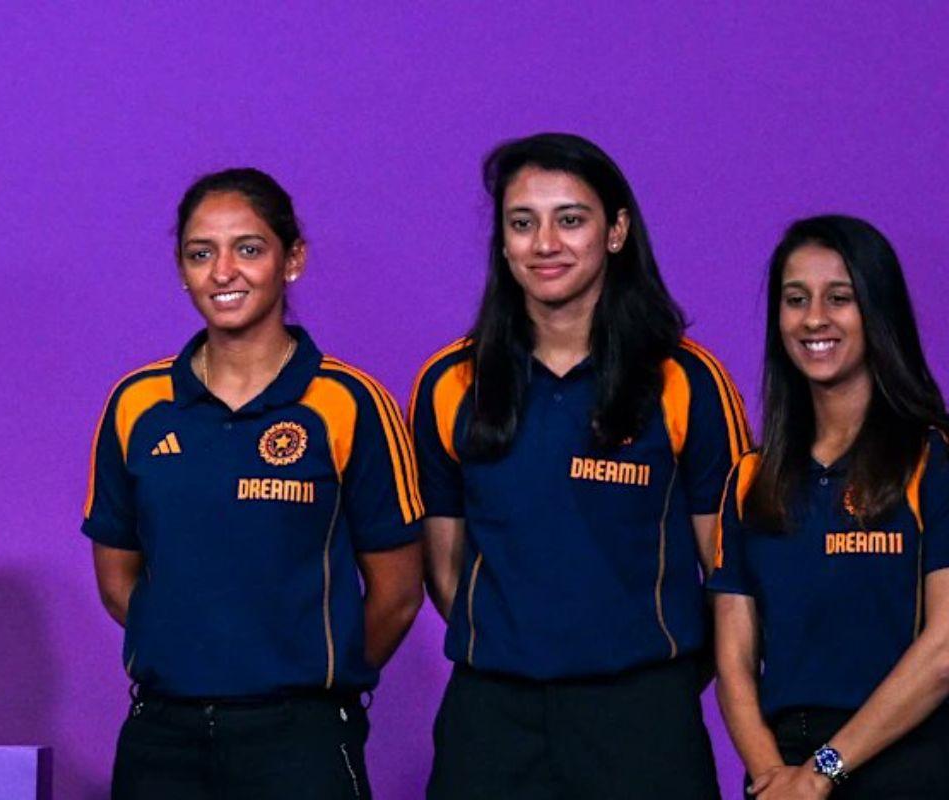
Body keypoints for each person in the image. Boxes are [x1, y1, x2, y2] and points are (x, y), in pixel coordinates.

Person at [410, 132, 749, 799]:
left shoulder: (686, 380)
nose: (545, 244)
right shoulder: (451, 382)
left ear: (616, 231)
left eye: (570, 219)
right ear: (503, 242)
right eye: (522, 223)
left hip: (642, 716)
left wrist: (657, 683)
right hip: (492, 718)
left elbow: (730, 569)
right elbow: (444, 569)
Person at [82, 167, 425, 799]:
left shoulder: (350, 402)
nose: (223, 272)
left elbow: (399, 593)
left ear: (292, 260)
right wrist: (192, 647)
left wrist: (312, 681)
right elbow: (116, 581)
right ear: (181, 270)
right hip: (163, 737)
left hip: (301, 740)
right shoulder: (137, 403)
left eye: (248, 249)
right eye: (200, 254)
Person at [710, 215, 949, 799]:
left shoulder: (933, 460)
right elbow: (734, 661)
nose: (814, 318)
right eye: (796, 300)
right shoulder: (750, 479)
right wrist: (773, 777)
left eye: (839, 298)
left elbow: (945, 649)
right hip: (784, 773)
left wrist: (824, 771)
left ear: (878, 310)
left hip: (907, 759)